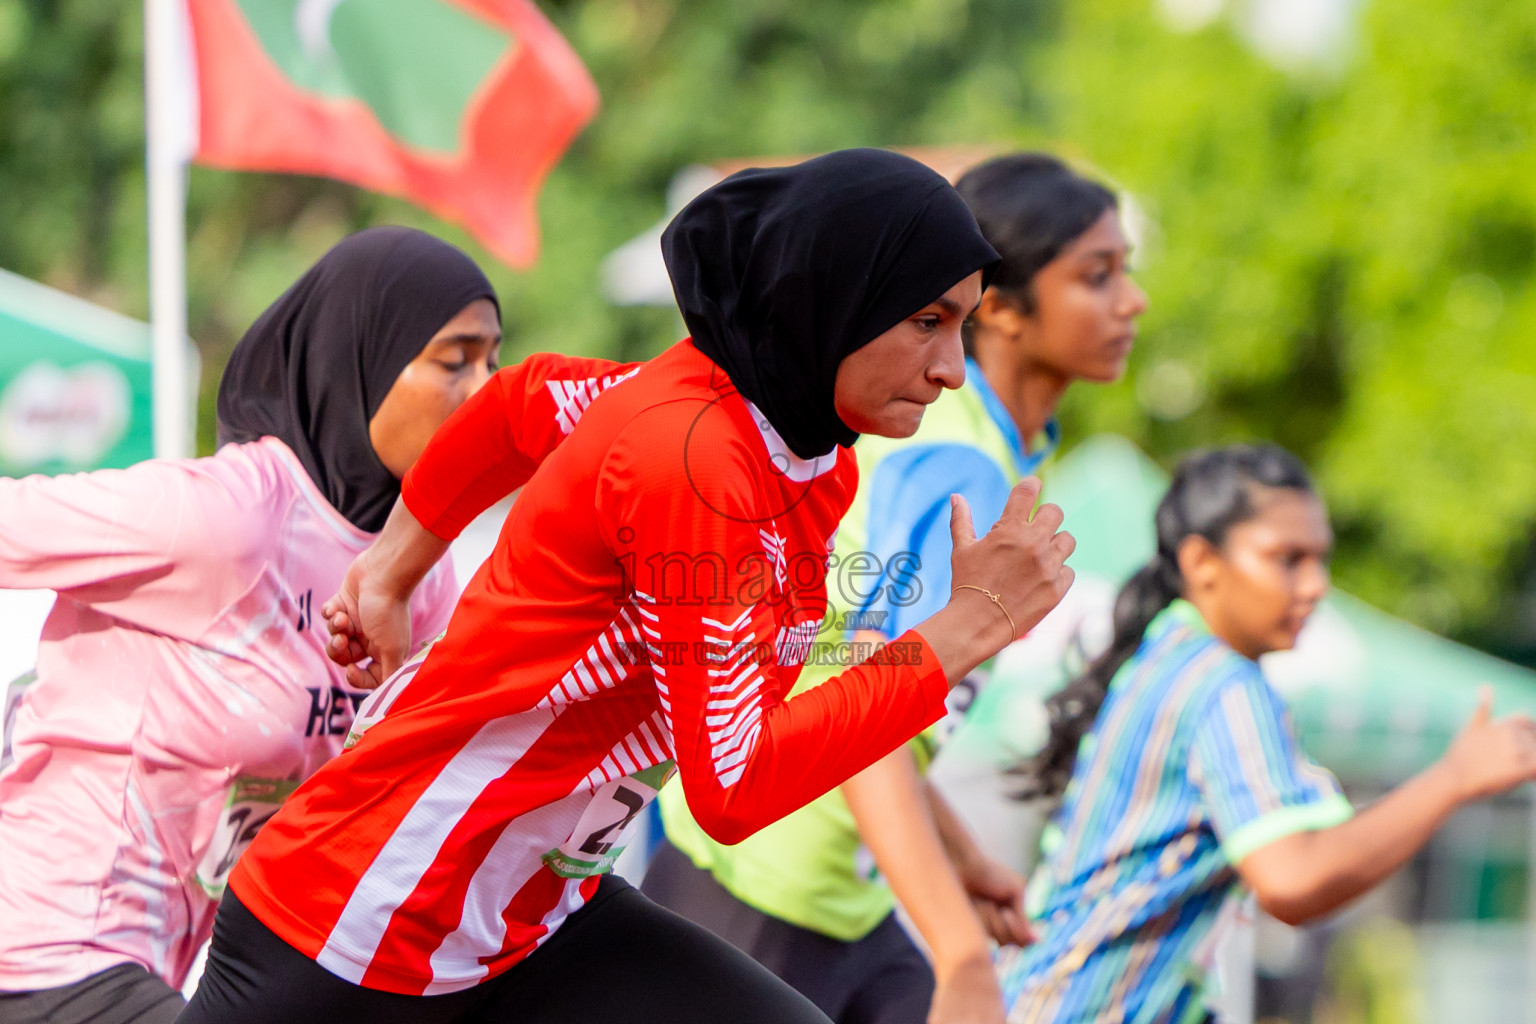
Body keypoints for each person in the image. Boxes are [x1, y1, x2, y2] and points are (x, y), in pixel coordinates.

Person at [172, 148, 1077, 1024]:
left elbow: (523, 403)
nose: (952, 366)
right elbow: (733, 788)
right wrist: (964, 627)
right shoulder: (695, 459)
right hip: (355, 925)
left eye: (962, 323)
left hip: (525, 927)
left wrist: (390, 569)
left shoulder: (795, 445)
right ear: (832, 300)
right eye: (927, 321)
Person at [644, 152, 1147, 1024]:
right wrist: (959, 954)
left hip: (837, 890)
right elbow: (866, 707)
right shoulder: (951, 463)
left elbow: (891, 704)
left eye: (1126, 273)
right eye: (1096, 276)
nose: (1131, 300)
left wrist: (958, 851)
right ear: (1007, 308)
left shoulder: (992, 447)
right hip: (766, 888)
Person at [0, 227, 501, 1024]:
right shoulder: (220, 520)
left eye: (494, 360)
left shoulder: (422, 578)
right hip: (44, 945)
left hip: (178, 969)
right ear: (359, 358)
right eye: (454, 360)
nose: (485, 391)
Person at [1000, 445, 1536, 1024]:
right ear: (1203, 561)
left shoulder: (1169, 654)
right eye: (1288, 558)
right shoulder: (1221, 685)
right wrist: (1453, 779)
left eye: (1320, 560)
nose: (1314, 586)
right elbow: (1293, 880)